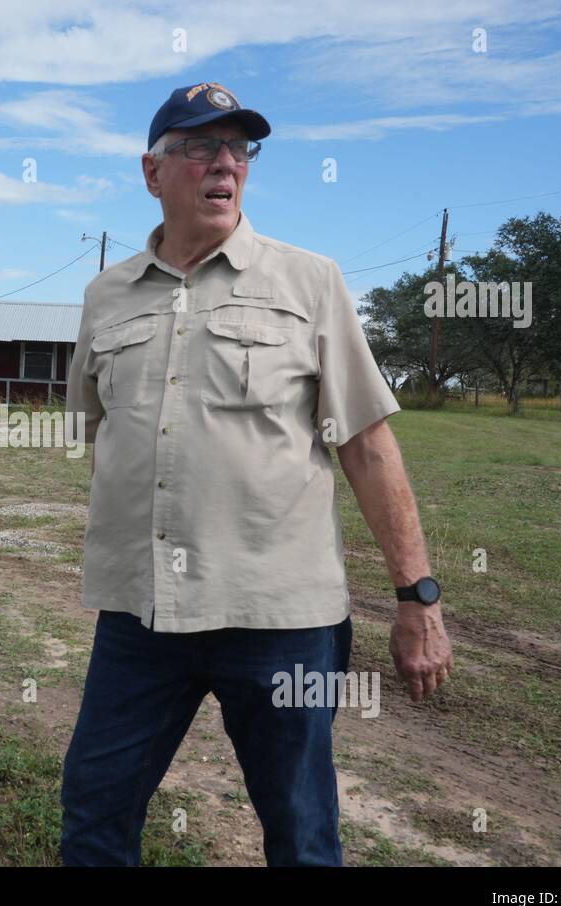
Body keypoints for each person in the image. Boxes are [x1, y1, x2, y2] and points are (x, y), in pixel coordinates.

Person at [61, 82, 453, 866]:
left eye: (240, 149)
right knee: (94, 816)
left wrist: (418, 598)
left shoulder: (309, 282)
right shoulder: (107, 296)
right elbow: (94, 427)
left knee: (302, 831)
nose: (225, 164)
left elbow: (368, 446)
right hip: (141, 618)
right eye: (200, 146)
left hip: (282, 622)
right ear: (152, 171)